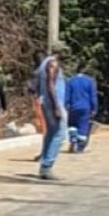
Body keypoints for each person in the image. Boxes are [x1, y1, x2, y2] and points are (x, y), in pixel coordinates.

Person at [35, 45, 68, 180]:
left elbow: (37, 85)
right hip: (53, 103)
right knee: (60, 134)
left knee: (51, 133)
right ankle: (47, 165)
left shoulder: (42, 64)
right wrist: (56, 107)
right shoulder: (52, 64)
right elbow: (50, 85)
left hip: (46, 102)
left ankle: (44, 165)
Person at [65, 67, 98, 154]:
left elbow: (67, 96)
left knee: (72, 125)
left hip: (73, 107)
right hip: (85, 107)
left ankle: (73, 140)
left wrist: (66, 105)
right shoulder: (90, 81)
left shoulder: (70, 81)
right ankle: (80, 147)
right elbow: (93, 96)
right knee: (83, 126)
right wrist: (94, 108)